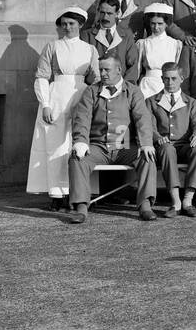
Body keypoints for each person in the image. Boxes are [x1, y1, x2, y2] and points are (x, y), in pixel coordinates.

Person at [67, 56, 157, 224]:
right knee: (76, 158)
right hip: (98, 147)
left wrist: (145, 143)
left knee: (148, 157)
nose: (102, 73)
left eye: (106, 69)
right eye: (100, 69)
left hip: (124, 147)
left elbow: (142, 118)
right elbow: (82, 118)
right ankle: (81, 207)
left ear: (118, 70)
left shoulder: (133, 91)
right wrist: (80, 141)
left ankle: (145, 205)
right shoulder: (91, 91)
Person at [28, 7, 99, 209]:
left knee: (78, 144)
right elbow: (42, 76)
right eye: (64, 24)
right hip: (57, 96)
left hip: (81, 96)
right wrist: (46, 104)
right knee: (56, 145)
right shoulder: (53, 46)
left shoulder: (90, 49)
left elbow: (95, 78)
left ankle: (79, 193)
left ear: (81, 25)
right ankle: (57, 195)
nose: (67, 27)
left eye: (72, 24)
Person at [149, 64, 196, 217]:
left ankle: (188, 200)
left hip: (185, 146)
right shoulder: (151, 101)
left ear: (181, 79)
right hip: (164, 146)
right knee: (168, 149)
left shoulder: (191, 102)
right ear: (161, 79)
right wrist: (157, 137)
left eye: (174, 78)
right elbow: (148, 126)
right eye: (166, 79)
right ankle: (176, 202)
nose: (170, 82)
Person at [125, 3, 189, 99]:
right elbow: (137, 69)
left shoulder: (175, 44)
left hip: (168, 84)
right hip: (147, 87)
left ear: (166, 24)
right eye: (153, 23)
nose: (156, 27)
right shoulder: (143, 43)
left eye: (160, 24)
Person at [83, 0, 135, 67]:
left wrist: (126, 79)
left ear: (117, 13)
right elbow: (84, 63)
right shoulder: (87, 35)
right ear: (98, 11)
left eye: (109, 13)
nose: (105, 17)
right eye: (102, 13)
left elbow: (133, 64)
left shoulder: (127, 35)